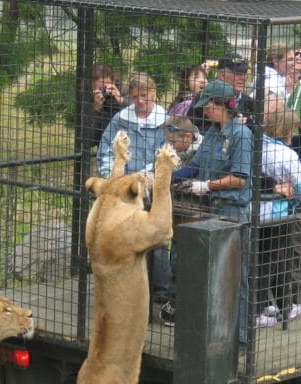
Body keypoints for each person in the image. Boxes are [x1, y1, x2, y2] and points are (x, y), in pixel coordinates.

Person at [172, 79, 254, 341]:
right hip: (211, 213)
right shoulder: (210, 133)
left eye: (208, 106)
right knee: (211, 275)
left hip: (232, 214)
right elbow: (195, 166)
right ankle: (214, 333)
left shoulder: (242, 136)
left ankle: (239, 338)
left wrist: (207, 186)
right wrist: (164, 175)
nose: (204, 111)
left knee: (234, 278)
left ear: (223, 105)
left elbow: (240, 177)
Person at [253, 108, 301, 328]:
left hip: (257, 211)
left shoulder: (259, 146)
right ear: (287, 129)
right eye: (294, 129)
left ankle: (279, 305)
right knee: (271, 262)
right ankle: (258, 312)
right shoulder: (286, 154)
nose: (295, 134)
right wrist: (299, 193)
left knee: (263, 259)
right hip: (278, 213)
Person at [150, 115, 203, 327]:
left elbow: (198, 173)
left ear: (188, 137)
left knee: (186, 259)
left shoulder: (202, 149)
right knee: (175, 255)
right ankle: (172, 300)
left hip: (197, 211)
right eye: (168, 141)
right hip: (176, 210)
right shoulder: (169, 147)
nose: (170, 145)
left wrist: (170, 178)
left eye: (174, 142)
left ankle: (177, 303)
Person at [96, 73, 168, 178]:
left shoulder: (165, 121)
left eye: (144, 95)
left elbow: (165, 160)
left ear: (153, 92)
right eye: (135, 97)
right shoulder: (120, 119)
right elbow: (105, 152)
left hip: (152, 183)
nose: (140, 101)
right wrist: (113, 177)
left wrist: (140, 178)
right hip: (120, 183)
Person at [83, 64, 126, 149]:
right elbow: (88, 142)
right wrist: (96, 111)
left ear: (114, 81)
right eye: (99, 90)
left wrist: (122, 102)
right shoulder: (89, 102)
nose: (103, 92)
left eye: (105, 88)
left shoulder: (127, 93)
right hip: (106, 153)